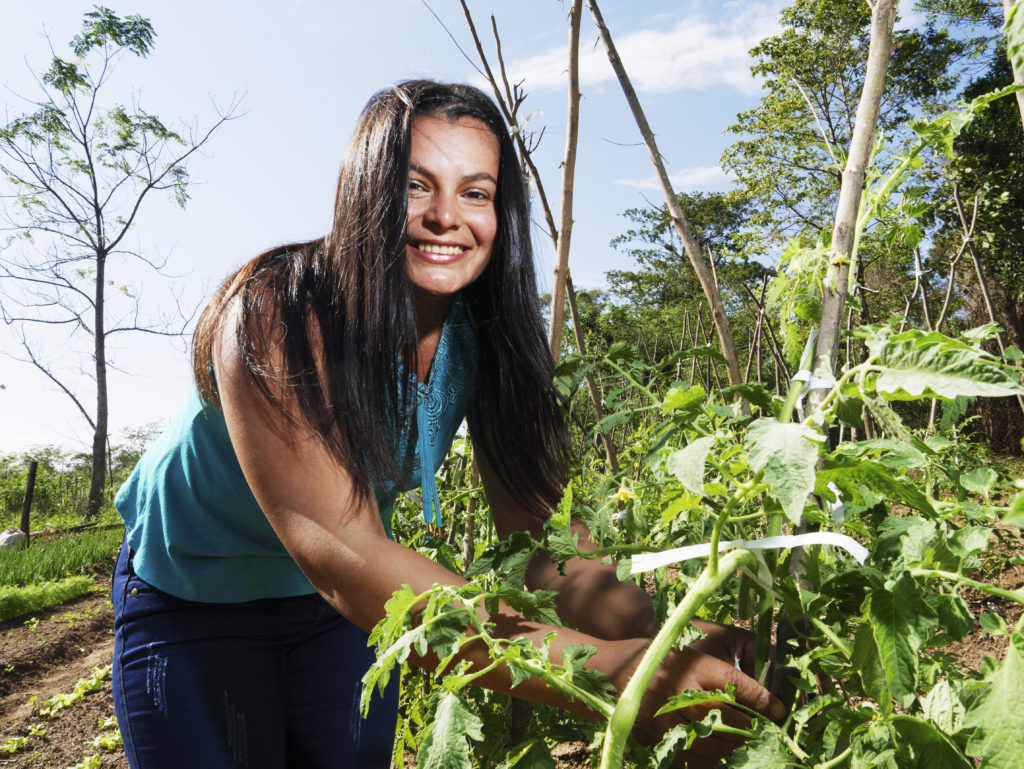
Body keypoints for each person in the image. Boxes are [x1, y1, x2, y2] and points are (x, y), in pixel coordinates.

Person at [111, 80, 782, 769]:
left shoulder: (485, 339)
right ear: (365, 194)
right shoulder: (275, 315)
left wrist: (670, 632)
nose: (445, 217)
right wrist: (611, 669)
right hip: (195, 595)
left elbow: (549, 548)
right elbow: (346, 554)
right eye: (415, 186)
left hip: (334, 619)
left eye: (476, 192)